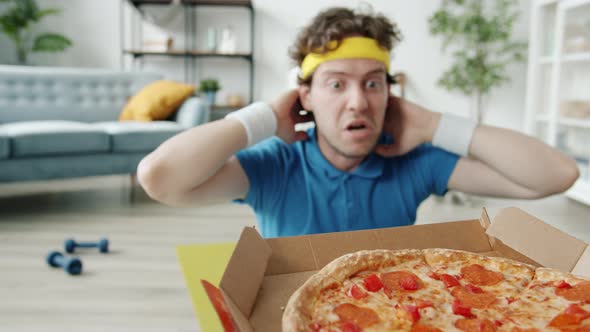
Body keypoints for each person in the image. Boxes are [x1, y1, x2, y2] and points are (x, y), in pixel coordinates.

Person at [137, 7, 579, 238]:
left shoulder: (416, 162)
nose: (358, 102)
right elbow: (160, 179)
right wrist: (265, 118)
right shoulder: (277, 164)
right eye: (336, 85)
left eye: (373, 84)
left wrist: (432, 126)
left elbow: (555, 176)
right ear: (303, 96)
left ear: (390, 94)